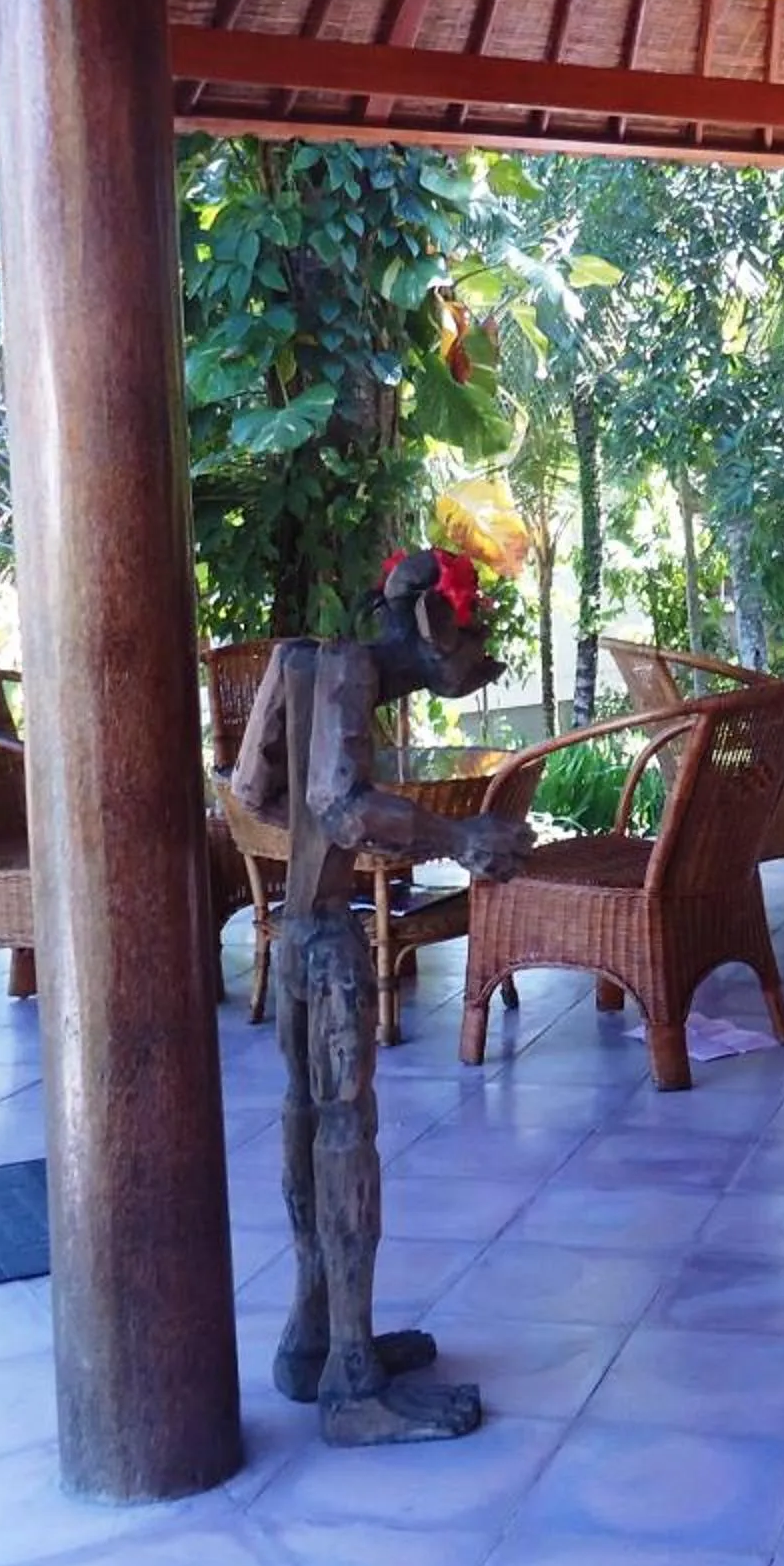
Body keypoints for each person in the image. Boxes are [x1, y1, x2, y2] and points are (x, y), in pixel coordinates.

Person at [227, 548, 529, 1446]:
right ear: (434, 627)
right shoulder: (350, 675)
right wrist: (460, 837)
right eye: (473, 638)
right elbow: (342, 805)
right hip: (323, 943)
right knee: (344, 1132)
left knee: (306, 1118)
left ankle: (313, 1340)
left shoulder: (304, 662)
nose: (480, 660)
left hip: (295, 932)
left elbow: (251, 790)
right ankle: (354, 1384)